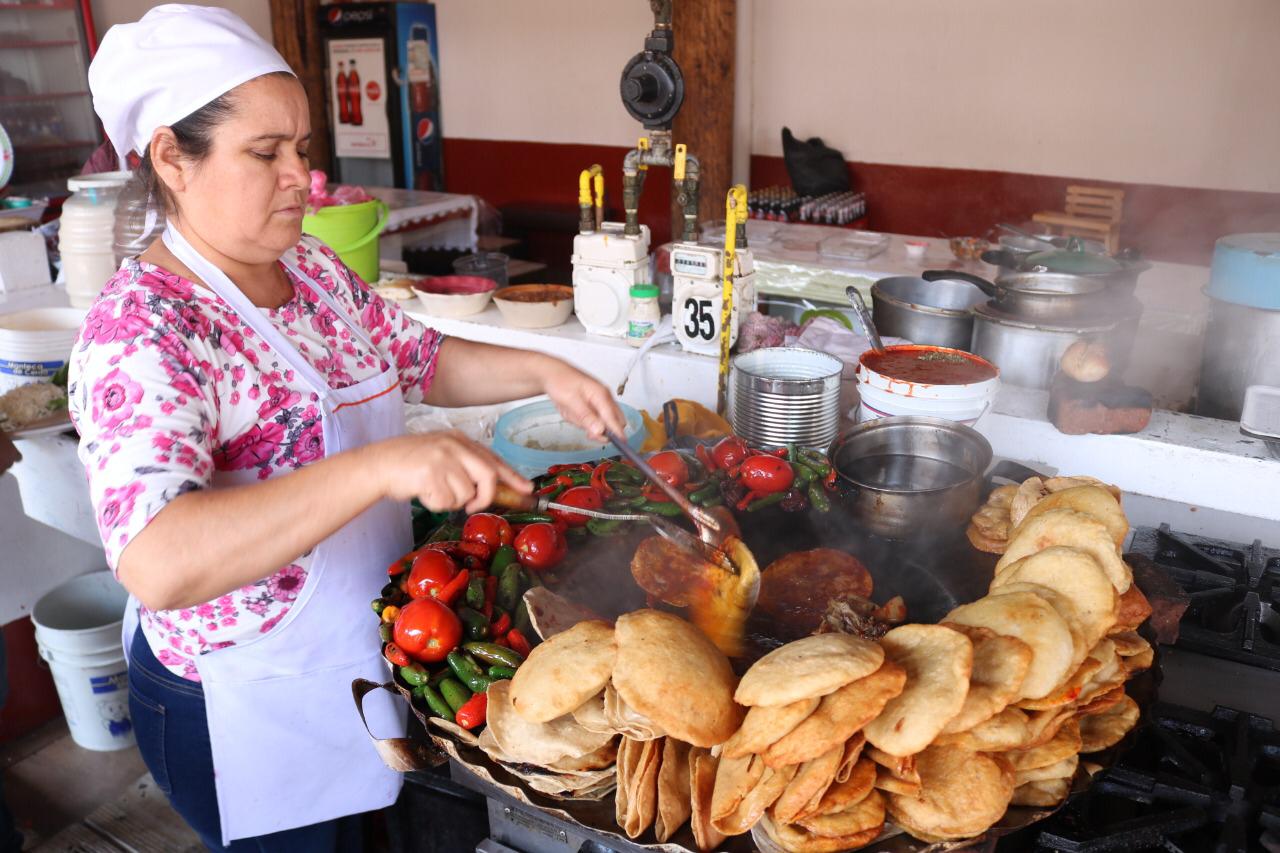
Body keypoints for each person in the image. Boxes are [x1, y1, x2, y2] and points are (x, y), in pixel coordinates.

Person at [72, 6, 624, 850]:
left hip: (362, 664)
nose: (301, 177)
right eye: (266, 154)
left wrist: (546, 371)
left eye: (302, 149)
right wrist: (381, 466)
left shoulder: (311, 269)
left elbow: (422, 357)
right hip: (247, 707)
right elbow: (158, 560)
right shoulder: (144, 328)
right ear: (173, 158)